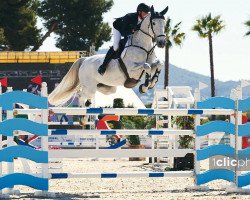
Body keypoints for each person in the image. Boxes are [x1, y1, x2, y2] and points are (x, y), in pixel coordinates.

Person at [98, 3, 150, 75]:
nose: (147, 14)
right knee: (116, 46)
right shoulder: (129, 17)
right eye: (145, 12)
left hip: (129, 31)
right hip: (119, 28)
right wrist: (132, 30)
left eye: (148, 13)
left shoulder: (144, 20)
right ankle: (103, 66)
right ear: (139, 12)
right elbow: (123, 32)